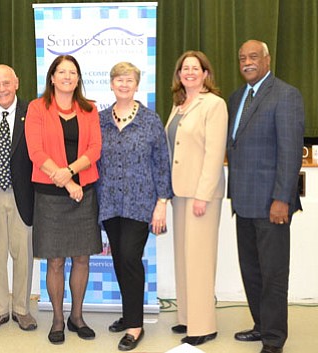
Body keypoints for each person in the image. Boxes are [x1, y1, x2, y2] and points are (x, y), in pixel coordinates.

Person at [227, 40, 304, 353]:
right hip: (242, 202)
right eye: (242, 57)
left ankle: (274, 340)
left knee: (273, 274)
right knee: (251, 270)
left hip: (272, 204)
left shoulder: (286, 95)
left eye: (253, 56)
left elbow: (289, 152)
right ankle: (260, 325)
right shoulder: (235, 98)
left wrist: (282, 198)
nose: (247, 62)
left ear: (267, 59)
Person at [25, 55, 102, 345]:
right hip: (50, 194)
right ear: (52, 78)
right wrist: (66, 182)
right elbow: (36, 151)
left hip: (83, 191)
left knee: (82, 258)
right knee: (55, 262)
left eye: (73, 72)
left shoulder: (89, 109)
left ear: (78, 79)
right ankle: (58, 318)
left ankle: (77, 316)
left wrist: (70, 173)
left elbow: (95, 149)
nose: (67, 76)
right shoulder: (37, 108)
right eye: (62, 72)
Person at [97, 62, 172, 351]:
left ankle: (135, 326)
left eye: (129, 80)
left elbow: (162, 165)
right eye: (118, 80)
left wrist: (162, 203)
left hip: (141, 203)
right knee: (119, 260)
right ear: (112, 84)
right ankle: (130, 313)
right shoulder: (101, 119)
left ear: (137, 85)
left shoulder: (151, 120)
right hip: (110, 203)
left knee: (129, 256)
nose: (124, 84)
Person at [165, 51, 227, 346]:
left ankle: (204, 325)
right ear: (178, 75)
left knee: (200, 259)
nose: (189, 72)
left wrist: (203, 195)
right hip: (180, 193)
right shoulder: (179, 105)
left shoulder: (214, 104)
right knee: (184, 258)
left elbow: (215, 154)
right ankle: (187, 317)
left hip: (202, 194)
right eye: (184, 68)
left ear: (205, 73)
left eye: (195, 68)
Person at [0, 65, 37, 332]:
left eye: (6, 83)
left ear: (16, 83)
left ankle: (22, 309)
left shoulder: (32, 112)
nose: (1, 89)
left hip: (23, 193)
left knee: (23, 254)